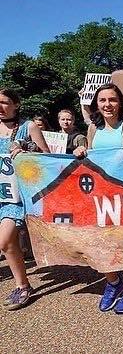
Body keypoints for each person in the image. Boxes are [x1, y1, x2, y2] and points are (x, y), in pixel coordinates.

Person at [73, 83, 123, 314]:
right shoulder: (94, 129)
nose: (108, 104)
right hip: (99, 196)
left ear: (120, 102)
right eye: (103, 100)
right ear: (97, 103)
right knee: (100, 243)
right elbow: (90, 158)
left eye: (112, 100)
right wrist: (81, 150)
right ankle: (114, 282)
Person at [0, 89, 50, 310]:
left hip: (17, 196)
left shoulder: (27, 127)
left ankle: (23, 285)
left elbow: (46, 156)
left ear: (16, 104)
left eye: (4, 102)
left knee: (4, 240)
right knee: (9, 245)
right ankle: (23, 285)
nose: (0, 107)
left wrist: (25, 149)